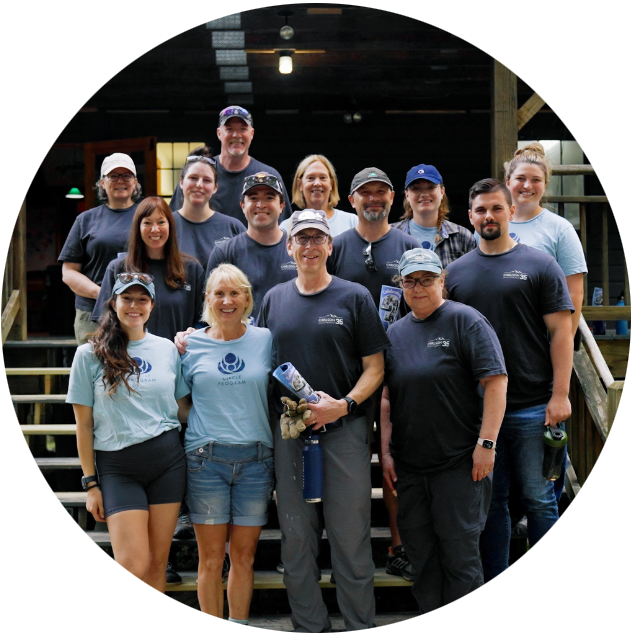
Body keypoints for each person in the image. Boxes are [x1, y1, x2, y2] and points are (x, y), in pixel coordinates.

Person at [257, 208, 390, 633]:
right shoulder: (274, 299)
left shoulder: (354, 297)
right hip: (291, 434)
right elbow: (254, 356)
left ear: (331, 246)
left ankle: (357, 624)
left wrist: (345, 405)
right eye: (302, 239)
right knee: (297, 540)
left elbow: (376, 367)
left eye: (318, 238)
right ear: (289, 246)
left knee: (350, 539)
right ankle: (309, 625)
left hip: (344, 433)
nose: (310, 246)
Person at [445, 178, 574, 583]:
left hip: (535, 406)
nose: (488, 216)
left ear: (509, 212)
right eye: (480, 210)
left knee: (540, 501)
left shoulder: (540, 265)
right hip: (480, 415)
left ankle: (548, 586)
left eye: (496, 208)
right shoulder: (456, 275)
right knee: (492, 505)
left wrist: (560, 395)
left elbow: (561, 332)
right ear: (470, 217)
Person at [382, 248, 507, 613]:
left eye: (426, 279)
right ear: (400, 285)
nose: (417, 287)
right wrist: (386, 452)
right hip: (411, 468)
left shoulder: (466, 321)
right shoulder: (395, 332)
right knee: (422, 560)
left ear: (442, 281)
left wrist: (487, 444)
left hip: (459, 465)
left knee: (460, 561)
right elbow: (387, 399)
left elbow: (496, 383)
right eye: (410, 280)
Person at [67, 273, 190, 593]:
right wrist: (90, 483)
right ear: (113, 303)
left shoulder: (166, 349)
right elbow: (84, 424)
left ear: (152, 305)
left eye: (142, 299)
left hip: (167, 464)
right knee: (132, 567)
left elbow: (182, 407)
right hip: (118, 469)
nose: (134, 306)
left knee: (156, 565)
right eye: (127, 298)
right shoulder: (89, 354)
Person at [328, 167, 420, 581]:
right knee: (345, 466)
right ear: (352, 200)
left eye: (381, 192)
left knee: (394, 459)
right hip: (345, 372)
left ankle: (399, 545)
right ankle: (343, 548)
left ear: (393, 197)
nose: (373, 199)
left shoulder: (407, 243)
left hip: (400, 367)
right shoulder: (337, 245)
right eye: (365, 192)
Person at [179, 264, 274, 625]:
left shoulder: (265, 339)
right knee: (210, 558)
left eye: (235, 293)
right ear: (208, 299)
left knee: (245, 556)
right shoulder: (191, 344)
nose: (227, 300)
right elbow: (180, 402)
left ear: (247, 298)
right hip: (206, 460)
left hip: (256, 460)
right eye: (219, 293)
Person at [503, 143, 587, 338]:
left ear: (545, 184)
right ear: (507, 181)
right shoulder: (491, 226)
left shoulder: (560, 228)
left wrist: (564, 341)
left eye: (536, 180)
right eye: (520, 178)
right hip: (497, 334)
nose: (527, 185)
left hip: (540, 337)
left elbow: (574, 293)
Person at [92, 197, 205, 341]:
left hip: (179, 356)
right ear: (138, 227)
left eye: (161, 222)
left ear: (170, 226)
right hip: (131, 357)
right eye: (147, 223)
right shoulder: (118, 268)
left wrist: (193, 332)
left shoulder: (192, 269)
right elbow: (104, 320)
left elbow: (205, 320)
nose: (155, 229)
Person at [59, 153, 141, 344]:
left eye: (126, 176)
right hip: (93, 312)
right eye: (113, 176)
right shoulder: (85, 220)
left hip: (139, 309)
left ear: (135, 182)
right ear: (102, 183)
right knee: (95, 369)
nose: (120, 180)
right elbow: (69, 273)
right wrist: (103, 293)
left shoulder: (148, 217)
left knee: (139, 368)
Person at [169, 106, 292, 224]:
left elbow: (284, 227)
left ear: (252, 133)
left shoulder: (270, 176)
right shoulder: (199, 174)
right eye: (229, 129)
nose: (236, 135)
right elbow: (174, 221)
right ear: (219, 133)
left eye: (243, 129)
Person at [204, 172, 298, 321]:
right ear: (242, 205)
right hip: (240, 342)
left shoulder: (298, 250)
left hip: (289, 340)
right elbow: (210, 309)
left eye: (269, 197)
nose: (261, 205)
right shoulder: (225, 253)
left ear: (281, 206)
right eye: (253, 198)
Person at [391, 164, 476, 267]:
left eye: (431, 187)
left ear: (442, 191)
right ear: (407, 195)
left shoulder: (463, 237)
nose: (424, 194)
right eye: (416, 188)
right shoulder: (391, 236)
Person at [173, 155, 244, 267]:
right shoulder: (166, 225)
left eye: (207, 180)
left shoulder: (233, 227)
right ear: (181, 182)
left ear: (215, 188)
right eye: (193, 178)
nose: (199, 185)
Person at [280, 154, 358, 236]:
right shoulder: (286, 227)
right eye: (310, 178)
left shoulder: (352, 222)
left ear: (331, 184)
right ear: (300, 185)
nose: (317, 183)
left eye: (323, 177)